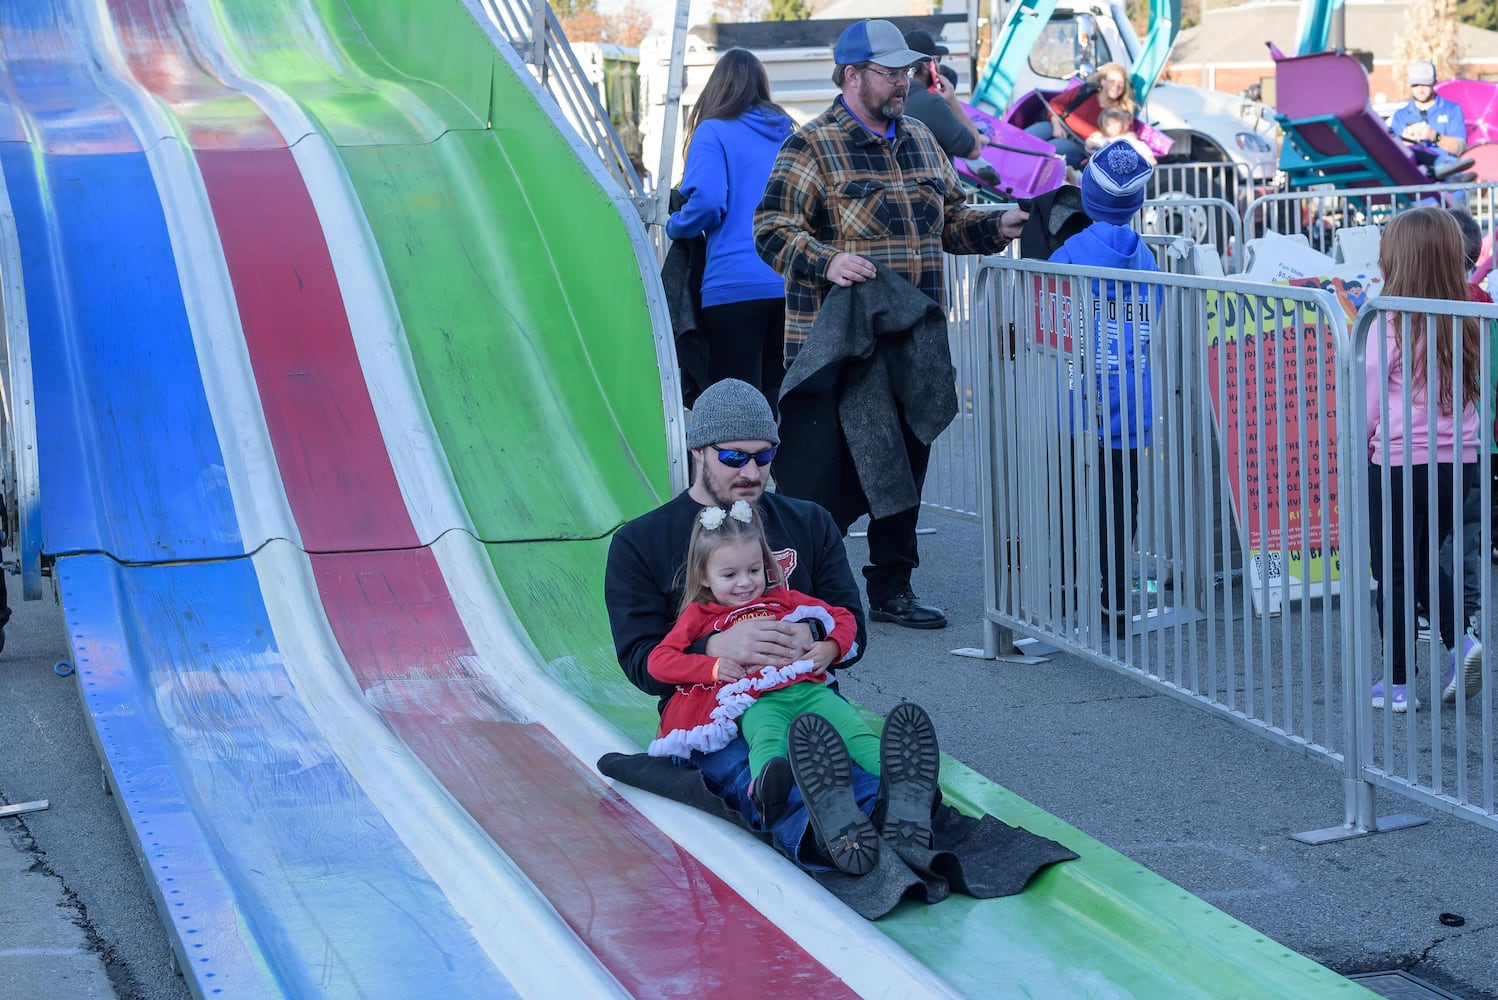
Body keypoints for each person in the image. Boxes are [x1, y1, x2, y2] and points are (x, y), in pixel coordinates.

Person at [604, 378, 941, 876]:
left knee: (835, 756)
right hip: (713, 706)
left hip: (803, 690)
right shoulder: (639, 542)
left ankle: (888, 812)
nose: (753, 471)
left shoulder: (810, 521)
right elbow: (641, 662)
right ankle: (823, 835)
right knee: (750, 765)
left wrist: (818, 638)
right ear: (698, 451)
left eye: (765, 456)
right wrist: (717, 644)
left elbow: (852, 626)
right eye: (735, 458)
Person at [754, 18, 1027, 630]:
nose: (904, 81)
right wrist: (829, 261)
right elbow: (770, 232)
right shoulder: (812, 144)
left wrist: (994, 225)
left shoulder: (924, 139)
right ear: (852, 76)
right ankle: (798, 592)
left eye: (907, 70)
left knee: (904, 464)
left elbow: (951, 219)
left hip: (911, 346)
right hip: (837, 349)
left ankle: (892, 588)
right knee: (820, 476)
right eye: (890, 71)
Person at [648, 499, 889, 872]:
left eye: (754, 570)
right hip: (759, 700)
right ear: (705, 577)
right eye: (730, 575)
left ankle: (899, 785)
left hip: (808, 688)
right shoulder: (700, 615)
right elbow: (660, 662)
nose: (745, 583)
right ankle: (767, 792)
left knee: (853, 730)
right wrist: (710, 665)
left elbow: (841, 617)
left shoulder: (782, 599)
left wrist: (830, 646)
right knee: (768, 740)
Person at [1365, 206, 1485, 712]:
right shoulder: (1469, 313)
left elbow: (1366, 396)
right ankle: (1461, 643)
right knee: (1414, 564)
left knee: (1392, 570)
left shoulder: (1386, 318)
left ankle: (1397, 682)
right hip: (1460, 463)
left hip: (1397, 463)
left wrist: (1355, 451)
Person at [1051, 139, 1162, 631]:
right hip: (1133, 398)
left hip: (1076, 397)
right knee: (1122, 501)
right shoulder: (1149, 261)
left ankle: (1067, 595)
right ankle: (1116, 601)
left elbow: (1047, 327)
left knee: (1072, 499)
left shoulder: (1066, 255)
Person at [666, 50, 795, 414]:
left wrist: (676, 224)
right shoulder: (787, 131)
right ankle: (777, 471)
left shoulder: (713, 131)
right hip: (788, 281)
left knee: (735, 407)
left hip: (732, 287)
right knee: (778, 398)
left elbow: (707, 201)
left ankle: (743, 471)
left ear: (718, 87)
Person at [1026, 62, 1136, 169]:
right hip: (1058, 126)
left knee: (1046, 152)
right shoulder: (1085, 91)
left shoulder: (1121, 112)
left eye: (1120, 83)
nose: (1116, 86)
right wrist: (1056, 125)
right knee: (1024, 139)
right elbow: (1056, 103)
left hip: (1079, 145)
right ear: (1102, 81)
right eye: (1112, 81)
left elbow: (1124, 138)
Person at [901, 30, 987, 164]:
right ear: (926, 64)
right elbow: (974, 150)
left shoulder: (893, 99)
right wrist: (953, 101)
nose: (939, 66)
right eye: (937, 60)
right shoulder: (931, 104)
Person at [1388, 61, 1473, 181]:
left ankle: (1449, 170)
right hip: (1417, 186)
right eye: (1415, 85)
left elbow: (1460, 149)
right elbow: (1394, 156)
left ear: (1435, 82)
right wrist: (1406, 144)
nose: (1420, 90)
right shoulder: (1400, 116)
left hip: (1451, 187)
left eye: (1425, 84)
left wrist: (1434, 136)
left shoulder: (1452, 109)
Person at [1084, 106, 1155, 163]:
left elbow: (1140, 147)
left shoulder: (1129, 138)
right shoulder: (1103, 137)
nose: (1112, 127)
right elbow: (1094, 144)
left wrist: (1148, 157)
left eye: (1115, 123)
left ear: (1124, 123)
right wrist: (1090, 143)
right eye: (1108, 124)